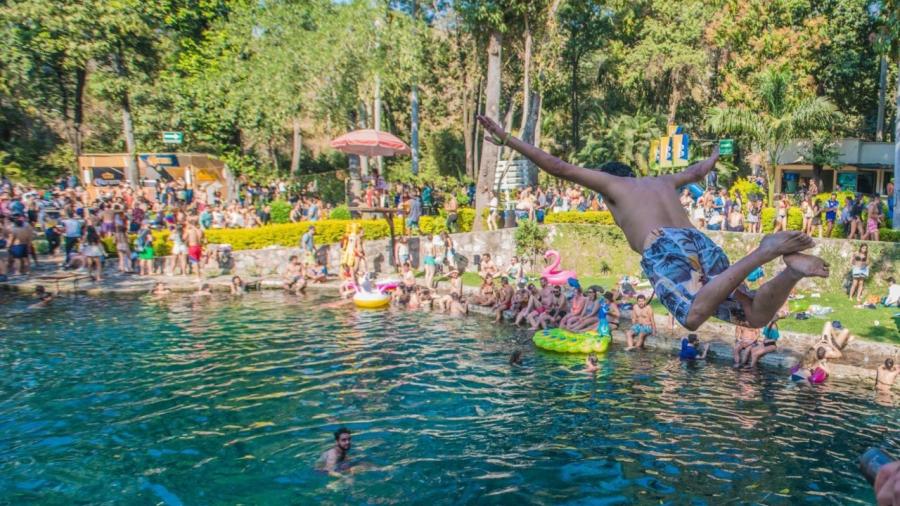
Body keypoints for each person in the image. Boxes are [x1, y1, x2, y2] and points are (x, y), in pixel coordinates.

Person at [477, 115, 827, 332]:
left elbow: (559, 167)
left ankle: (764, 253)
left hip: (664, 245)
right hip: (697, 240)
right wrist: (714, 158)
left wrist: (507, 139)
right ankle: (791, 271)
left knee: (691, 318)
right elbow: (696, 172)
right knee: (753, 316)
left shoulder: (614, 186)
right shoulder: (661, 182)